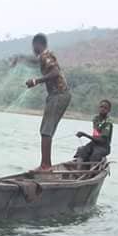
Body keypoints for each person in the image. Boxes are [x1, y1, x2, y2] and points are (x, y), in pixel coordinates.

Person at [12, 33, 72, 172]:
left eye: (34, 46)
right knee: (46, 130)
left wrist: (36, 81)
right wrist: (19, 58)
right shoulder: (43, 57)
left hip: (59, 95)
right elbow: (33, 60)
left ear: (38, 44)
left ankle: (45, 166)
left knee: (46, 130)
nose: (33, 49)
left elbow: (55, 72)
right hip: (58, 95)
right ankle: (46, 164)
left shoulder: (46, 55)